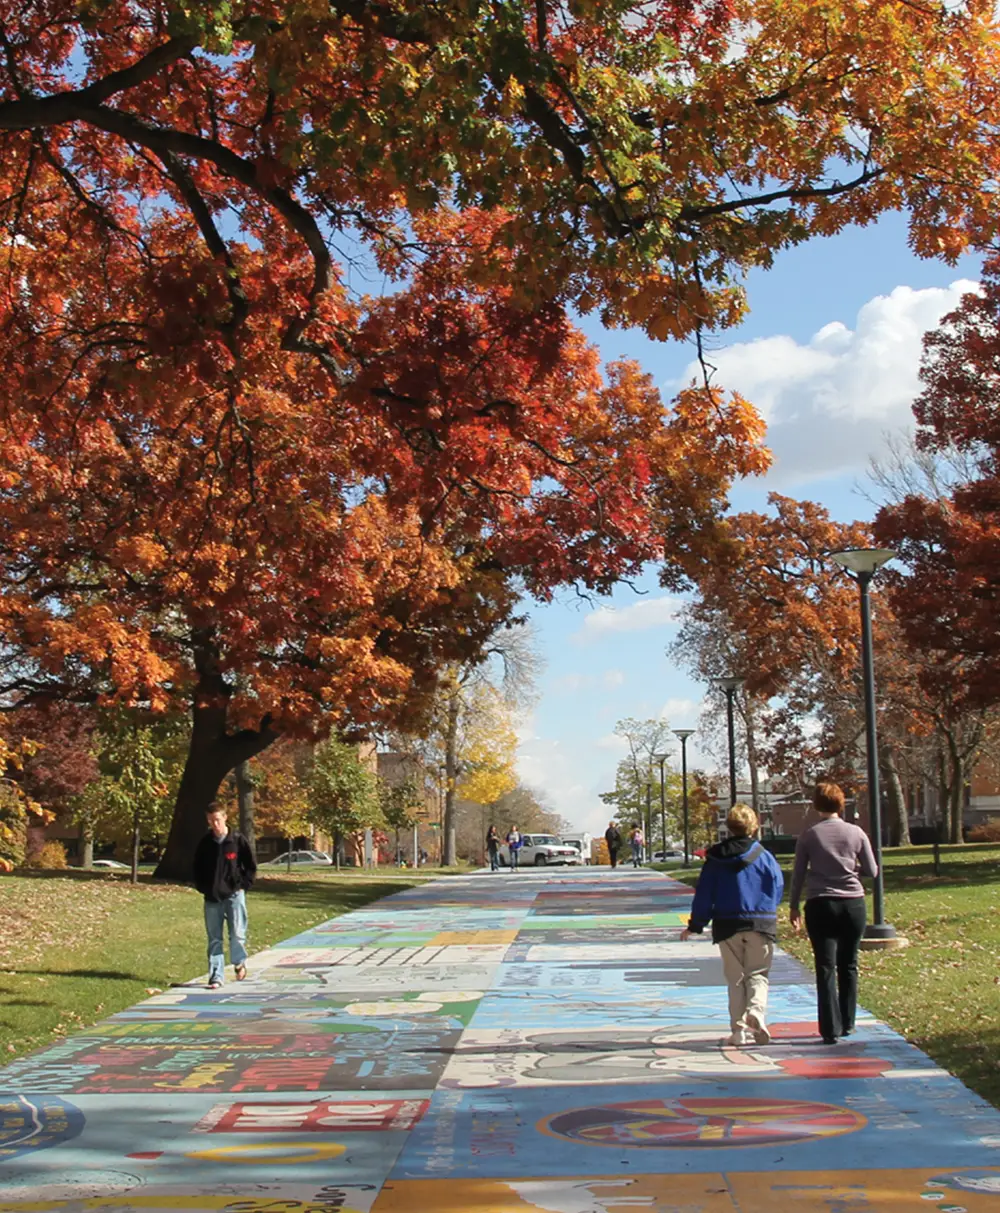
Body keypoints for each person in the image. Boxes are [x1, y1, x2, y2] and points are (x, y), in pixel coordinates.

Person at [681, 804, 784, 1046]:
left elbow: (705, 893)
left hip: (727, 924)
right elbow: (777, 886)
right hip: (760, 922)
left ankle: (738, 1031)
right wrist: (769, 909)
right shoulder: (764, 856)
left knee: (735, 979)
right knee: (758, 974)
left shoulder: (715, 859)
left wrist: (696, 925)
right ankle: (756, 1011)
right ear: (754, 826)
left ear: (729, 827)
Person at [789, 781, 878, 1044]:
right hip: (853, 904)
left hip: (820, 903)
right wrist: (851, 871)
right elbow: (872, 871)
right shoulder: (857, 833)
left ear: (817, 805)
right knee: (849, 964)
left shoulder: (809, 835)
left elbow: (798, 874)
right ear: (841, 803)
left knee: (825, 966)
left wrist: (794, 906)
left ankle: (830, 1028)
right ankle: (849, 1021)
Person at [193, 803, 257, 990]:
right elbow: (197, 867)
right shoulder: (206, 843)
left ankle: (239, 962)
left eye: (217, 820)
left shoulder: (236, 840)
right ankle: (216, 976)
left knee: (237, 933)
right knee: (214, 938)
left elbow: (250, 865)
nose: (215, 824)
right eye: (211, 821)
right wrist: (203, 888)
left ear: (225, 818)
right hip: (213, 897)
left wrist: (244, 885)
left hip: (234, 894)